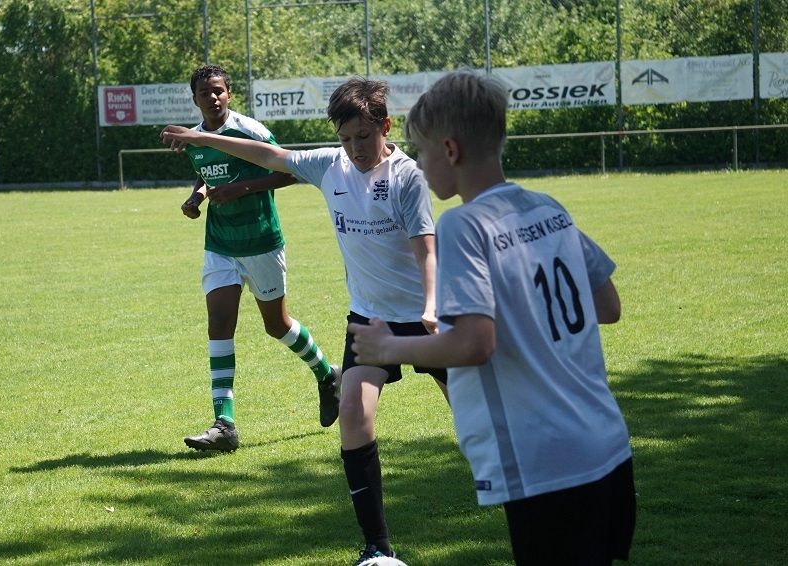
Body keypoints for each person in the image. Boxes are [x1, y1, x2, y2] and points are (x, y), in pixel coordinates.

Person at [348, 69, 636, 565]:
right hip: (607, 445)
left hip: (547, 462)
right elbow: (608, 305)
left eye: (421, 151)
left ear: (450, 150)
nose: (418, 164)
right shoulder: (547, 207)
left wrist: (387, 347)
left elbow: (474, 343)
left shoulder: (464, 224)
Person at [162, 77, 448, 565]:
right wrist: (199, 138)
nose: (355, 147)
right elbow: (270, 157)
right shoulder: (331, 165)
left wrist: (432, 305)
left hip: (425, 320)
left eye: (364, 135)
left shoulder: (407, 177)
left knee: (477, 422)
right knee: (353, 416)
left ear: (385, 127)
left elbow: (427, 248)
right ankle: (377, 550)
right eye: (346, 138)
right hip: (368, 320)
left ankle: (532, 499)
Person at [176, 64, 341, 453]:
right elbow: (206, 173)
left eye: (218, 90)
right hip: (220, 245)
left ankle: (327, 374)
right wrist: (197, 196)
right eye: (204, 93)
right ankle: (224, 424)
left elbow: (290, 171)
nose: (212, 97)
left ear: (229, 94)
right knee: (219, 323)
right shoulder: (194, 139)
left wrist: (242, 188)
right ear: (195, 99)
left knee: (277, 325)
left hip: (261, 241)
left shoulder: (250, 130)